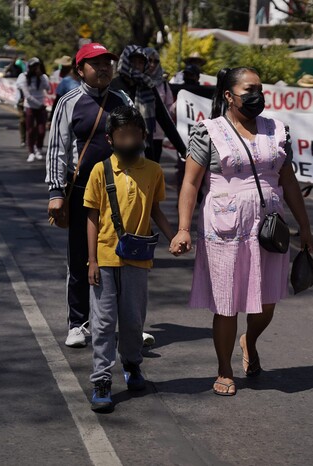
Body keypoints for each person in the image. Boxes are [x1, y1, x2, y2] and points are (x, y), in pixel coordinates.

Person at [170, 67, 313, 396]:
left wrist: (304, 225)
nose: (256, 96)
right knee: (227, 303)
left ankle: (250, 339)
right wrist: (182, 229)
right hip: (225, 228)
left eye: (260, 90)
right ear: (228, 96)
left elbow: (288, 181)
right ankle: (224, 368)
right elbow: (190, 183)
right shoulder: (209, 131)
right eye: (249, 90)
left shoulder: (276, 130)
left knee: (266, 303)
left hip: (269, 229)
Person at [84, 105, 175, 412]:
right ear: (111, 139)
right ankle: (101, 380)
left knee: (134, 321)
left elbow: (155, 210)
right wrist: (92, 261)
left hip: (137, 259)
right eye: (122, 136)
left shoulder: (153, 171)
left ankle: (132, 365)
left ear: (144, 136)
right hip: (106, 258)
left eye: (134, 135)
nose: (128, 141)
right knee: (103, 322)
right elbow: (92, 217)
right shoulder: (100, 170)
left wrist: (176, 234)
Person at [46, 42, 133, 348]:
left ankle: (126, 324)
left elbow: (135, 145)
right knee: (82, 259)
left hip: (121, 194)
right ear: (80, 69)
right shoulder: (69, 102)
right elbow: (57, 148)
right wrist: (56, 191)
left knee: (123, 258)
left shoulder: (123, 100)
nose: (104, 68)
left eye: (108, 62)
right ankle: (78, 322)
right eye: (96, 63)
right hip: (82, 193)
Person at [17, 57, 50, 163]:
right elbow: (27, 95)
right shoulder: (23, 77)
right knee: (30, 130)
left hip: (41, 107)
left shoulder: (43, 77)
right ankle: (31, 152)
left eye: (37, 66)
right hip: (30, 106)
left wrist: (42, 77)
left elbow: (47, 88)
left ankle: (38, 149)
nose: (35, 69)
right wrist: (39, 105)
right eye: (33, 67)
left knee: (41, 131)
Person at [145, 47, 175, 163]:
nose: (152, 64)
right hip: (138, 134)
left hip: (157, 135)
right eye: (149, 60)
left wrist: (179, 106)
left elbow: (169, 111)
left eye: (155, 61)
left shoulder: (164, 85)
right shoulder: (135, 81)